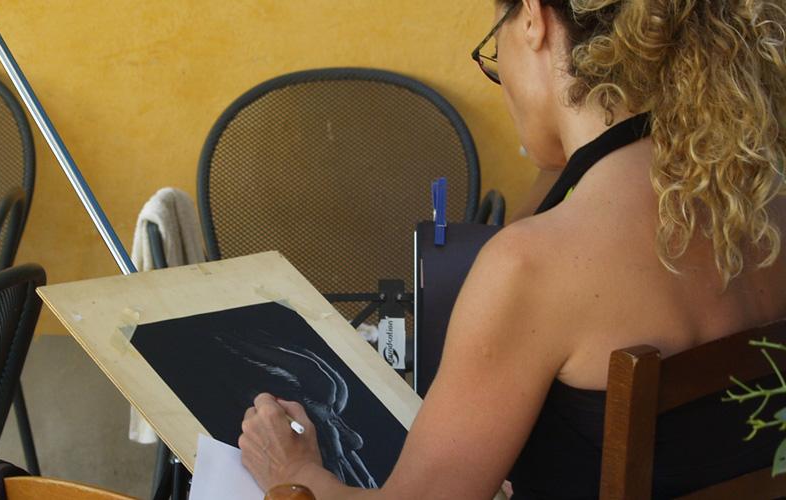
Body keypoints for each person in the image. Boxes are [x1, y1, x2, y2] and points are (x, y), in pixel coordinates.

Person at [238, 0, 786, 498]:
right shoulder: (766, 203)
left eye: (493, 56)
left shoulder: (534, 266)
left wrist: (295, 473)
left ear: (531, 18)